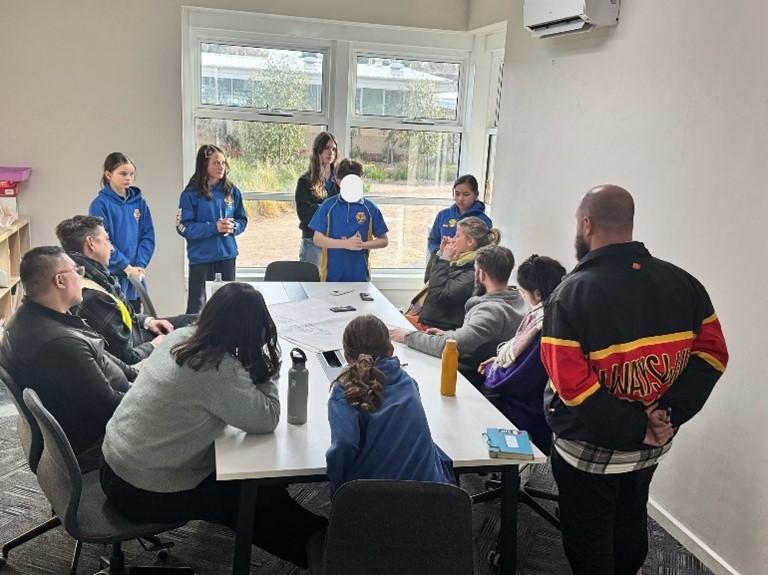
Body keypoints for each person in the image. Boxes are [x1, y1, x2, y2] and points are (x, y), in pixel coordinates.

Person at [541, 185, 729, 575]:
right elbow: (713, 355)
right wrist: (667, 414)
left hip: (589, 451)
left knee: (588, 539)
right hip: (654, 443)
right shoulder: (685, 284)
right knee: (630, 519)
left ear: (587, 223)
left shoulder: (570, 295)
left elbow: (571, 383)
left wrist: (634, 427)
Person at [100, 282, 326, 568]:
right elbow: (266, 419)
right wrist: (265, 368)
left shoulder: (182, 337)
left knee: (252, 482)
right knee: (244, 496)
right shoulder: (216, 367)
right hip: (143, 490)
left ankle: (314, 533)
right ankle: (322, 546)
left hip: (113, 465)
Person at [0, 246, 134, 463]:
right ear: (60, 281)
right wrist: (154, 399)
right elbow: (110, 408)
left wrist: (139, 376)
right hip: (102, 439)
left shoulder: (37, 317)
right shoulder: (58, 344)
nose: (82, 279)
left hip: (111, 409)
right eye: (77, 272)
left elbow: (105, 357)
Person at [326, 315, 454, 495]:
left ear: (347, 357)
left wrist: (338, 487)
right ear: (391, 350)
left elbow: (344, 444)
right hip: (429, 499)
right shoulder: (408, 382)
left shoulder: (345, 392)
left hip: (374, 501)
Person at [56, 215, 194, 365]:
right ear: (91, 243)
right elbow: (127, 358)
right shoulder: (92, 295)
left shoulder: (95, 275)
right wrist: (156, 345)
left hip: (136, 335)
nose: (111, 247)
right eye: (107, 240)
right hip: (138, 352)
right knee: (198, 327)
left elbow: (122, 315)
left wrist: (148, 322)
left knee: (196, 320)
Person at [392, 245, 525, 381]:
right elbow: (475, 339)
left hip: (470, 378)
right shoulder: (518, 301)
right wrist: (448, 335)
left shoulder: (491, 311)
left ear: (481, 274)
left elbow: (450, 346)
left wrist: (407, 337)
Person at [477, 254, 566, 453]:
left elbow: (518, 379)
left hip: (528, 405)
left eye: (522, 291)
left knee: (477, 395)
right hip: (534, 395)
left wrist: (493, 370)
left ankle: (503, 468)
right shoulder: (549, 314)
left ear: (536, 293)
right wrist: (498, 362)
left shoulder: (543, 327)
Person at [176, 144, 248, 314]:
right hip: (201, 259)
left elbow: (242, 219)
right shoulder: (190, 194)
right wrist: (213, 227)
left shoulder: (232, 191)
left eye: (223, 162)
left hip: (227, 256)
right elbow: (183, 227)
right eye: (216, 163)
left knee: (228, 308)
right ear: (204, 165)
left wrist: (234, 227)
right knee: (197, 309)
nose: (221, 167)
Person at [407, 217, 502, 331]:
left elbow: (438, 295)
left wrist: (445, 259)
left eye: (457, 236)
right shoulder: (456, 260)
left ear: (470, 242)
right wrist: (440, 254)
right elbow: (428, 279)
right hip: (425, 317)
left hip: (440, 327)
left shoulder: (473, 271)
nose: (453, 239)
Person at [89, 152, 155, 313]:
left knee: (138, 322)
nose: (128, 178)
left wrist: (138, 266)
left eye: (131, 174)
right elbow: (103, 242)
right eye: (123, 174)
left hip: (135, 276)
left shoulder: (140, 203)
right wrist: (125, 266)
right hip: (114, 276)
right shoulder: (99, 205)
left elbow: (148, 236)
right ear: (108, 174)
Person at [309, 159, 388, 281]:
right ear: (337, 180)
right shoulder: (328, 206)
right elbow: (317, 239)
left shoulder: (370, 208)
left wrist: (362, 245)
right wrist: (345, 244)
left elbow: (384, 240)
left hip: (360, 277)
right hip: (331, 278)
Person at [295, 131, 339, 267]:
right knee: (312, 285)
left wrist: (321, 210)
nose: (330, 152)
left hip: (335, 243)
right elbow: (305, 214)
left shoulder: (340, 181)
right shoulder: (305, 181)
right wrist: (330, 211)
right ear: (318, 150)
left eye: (334, 149)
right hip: (312, 242)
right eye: (326, 148)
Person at [426, 174, 492, 255]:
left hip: (468, 265)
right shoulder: (443, 215)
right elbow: (433, 240)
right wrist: (440, 252)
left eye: (466, 194)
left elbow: (485, 251)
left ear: (476, 195)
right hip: (443, 261)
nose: (461, 198)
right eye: (457, 194)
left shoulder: (483, 220)